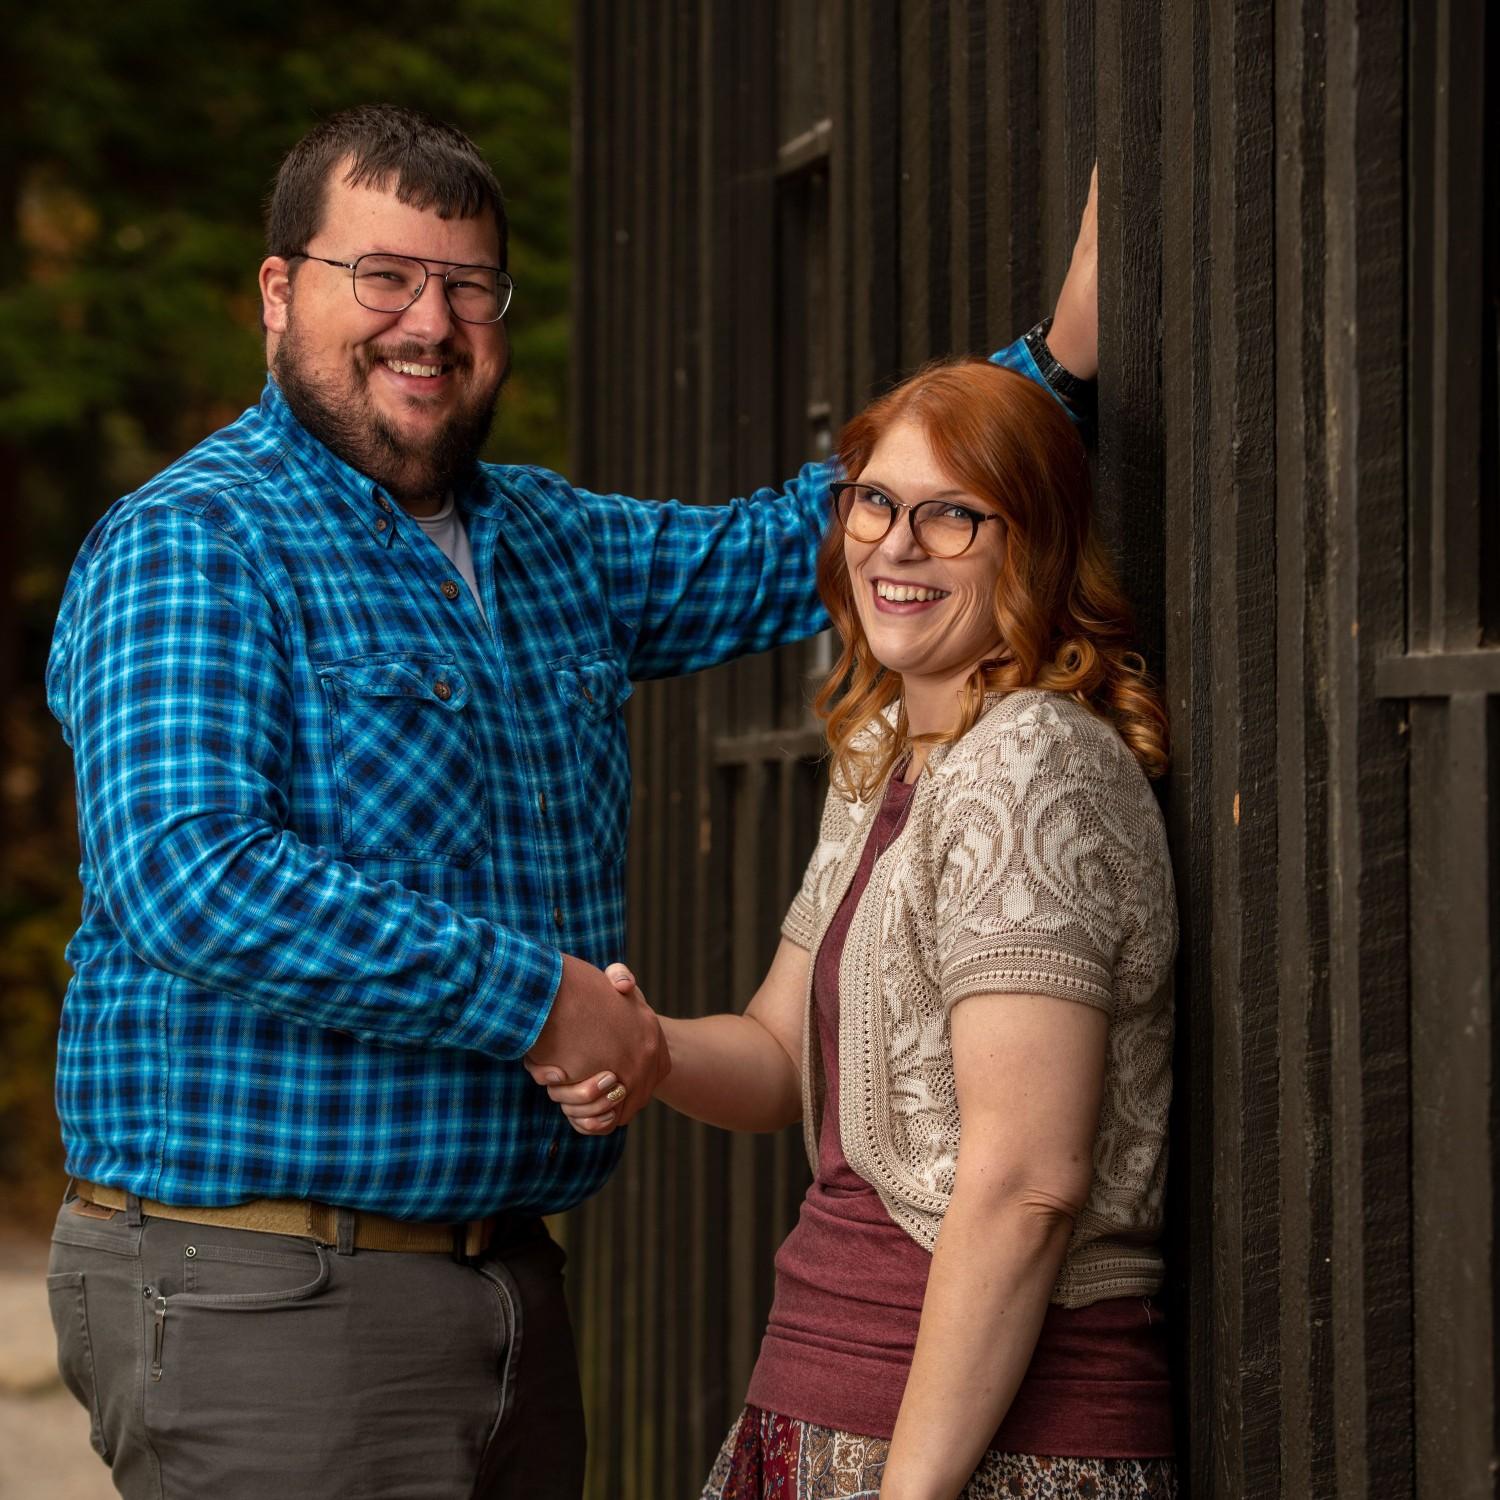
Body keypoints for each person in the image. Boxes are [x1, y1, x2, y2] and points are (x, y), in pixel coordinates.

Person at [44, 104, 1098, 1500]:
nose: (430, 320)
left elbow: (800, 542)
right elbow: (192, 874)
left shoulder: (545, 541)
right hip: (263, 1290)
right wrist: (537, 999)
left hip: (502, 1287)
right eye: (385, 276)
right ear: (279, 290)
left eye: (469, 284)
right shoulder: (198, 540)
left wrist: (1064, 360)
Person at [540, 356, 1175, 1499]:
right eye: (876, 502)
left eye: (953, 517)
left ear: (1030, 543)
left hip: (987, 1448)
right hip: (823, 1403)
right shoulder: (887, 755)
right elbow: (782, 1055)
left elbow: (1027, 1182)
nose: (896, 544)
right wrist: (649, 1048)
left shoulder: (1031, 763)